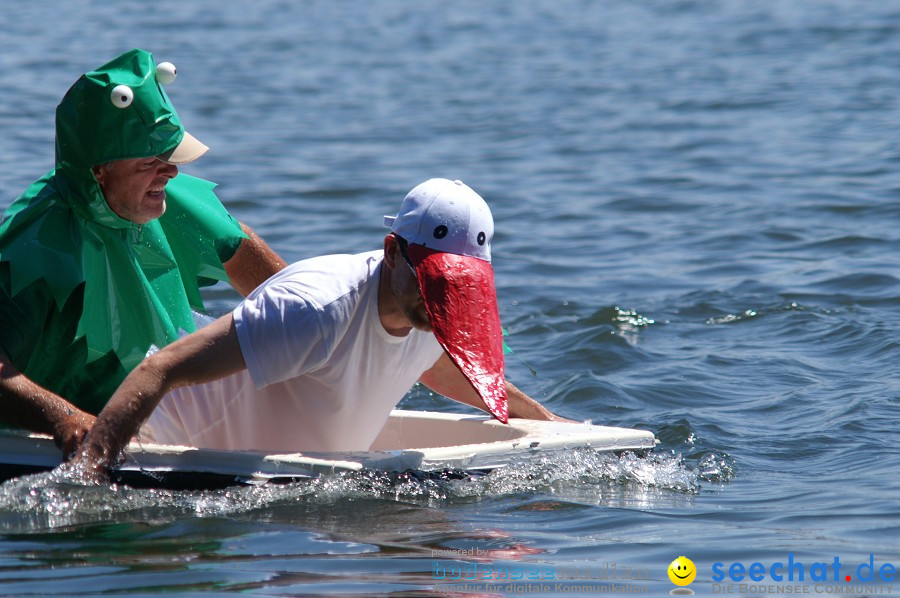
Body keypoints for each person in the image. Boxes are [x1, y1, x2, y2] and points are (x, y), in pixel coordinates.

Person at [73, 178, 565, 476]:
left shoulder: (431, 307)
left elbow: (441, 369)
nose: (444, 301)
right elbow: (160, 369)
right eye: (434, 283)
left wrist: (544, 422)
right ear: (392, 251)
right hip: (165, 442)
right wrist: (88, 476)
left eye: (458, 289)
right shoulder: (315, 309)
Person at [0, 49, 286, 456]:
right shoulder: (35, 251)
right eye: (151, 160)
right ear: (98, 169)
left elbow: (286, 290)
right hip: (37, 438)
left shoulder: (172, 203)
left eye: (169, 156)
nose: (170, 171)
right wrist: (64, 417)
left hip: (143, 418)